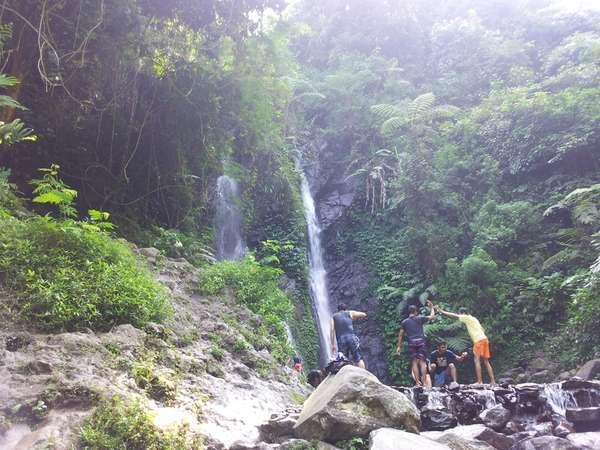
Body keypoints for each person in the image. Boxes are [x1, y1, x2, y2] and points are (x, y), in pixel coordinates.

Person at [438, 307, 496, 385]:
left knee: (476, 360)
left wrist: (442, 311)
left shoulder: (466, 317)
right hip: (484, 339)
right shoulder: (474, 319)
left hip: (478, 341)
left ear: (462, 313)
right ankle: (493, 381)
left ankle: (479, 382)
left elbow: (454, 316)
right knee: (486, 361)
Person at [396, 301, 435, 387]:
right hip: (421, 342)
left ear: (409, 312)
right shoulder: (420, 318)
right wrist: (432, 308)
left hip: (411, 343)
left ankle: (417, 382)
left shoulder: (404, 322)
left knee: (414, 363)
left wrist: (398, 346)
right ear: (416, 312)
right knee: (422, 362)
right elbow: (432, 316)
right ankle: (424, 383)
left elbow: (400, 335)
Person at [330, 303, 367, 369]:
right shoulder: (350, 313)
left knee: (343, 360)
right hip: (351, 337)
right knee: (358, 358)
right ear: (345, 309)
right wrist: (352, 318)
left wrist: (332, 344)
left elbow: (332, 330)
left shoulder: (334, 316)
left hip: (341, 340)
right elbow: (364, 314)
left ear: (338, 310)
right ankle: (364, 373)